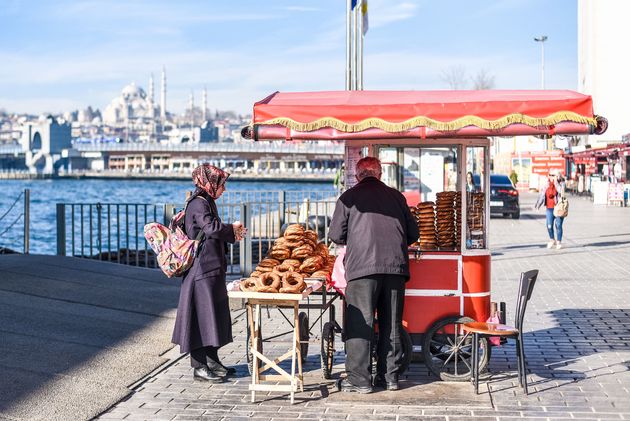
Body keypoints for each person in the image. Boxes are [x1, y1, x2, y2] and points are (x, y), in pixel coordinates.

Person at [328, 157, 419, 393]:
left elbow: (336, 235)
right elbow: (413, 233)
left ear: (358, 176)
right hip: (395, 269)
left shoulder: (348, 198)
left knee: (360, 323)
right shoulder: (397, 197)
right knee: (391, 324)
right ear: (379, 174)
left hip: (362, 269)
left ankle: (360, 381)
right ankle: (390, 378)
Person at [171, 164, 246, 382]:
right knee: (200, 317)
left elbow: (212, 228)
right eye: (222, 185)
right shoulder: (198, 203)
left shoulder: (206, 201)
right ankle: (199, 366)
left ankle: (212, 360)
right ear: (210, 183)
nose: (224, 189)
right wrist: (232, 228)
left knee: (212, 315)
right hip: (200, 270)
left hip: (211, 269)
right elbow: (211, 227)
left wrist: (232, 232)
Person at [535, 170, 566, 249]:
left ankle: (559, 241)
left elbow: (561, 192)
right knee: (549, 226)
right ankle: (552, 239)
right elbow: (542, 194)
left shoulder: (561, 183)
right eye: (550, 175)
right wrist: (538, 205)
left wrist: (556, 183)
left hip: (558, 208)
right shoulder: (546, 184)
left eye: (553, 175)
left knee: (558, 225)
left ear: (557, 176)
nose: (551, 177)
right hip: (549, 208)